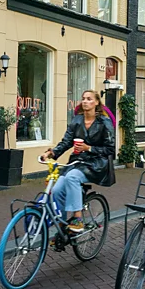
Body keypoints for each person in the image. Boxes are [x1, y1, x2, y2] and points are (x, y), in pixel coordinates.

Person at [40, 90, 114, 233]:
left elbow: (110, 149)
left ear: (96, 102)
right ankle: (62, 227)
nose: (85, 101)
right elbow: (66, 141)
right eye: (83, 99)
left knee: (72, 177)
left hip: (97, 164)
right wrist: (51, 153)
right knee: (56, 190)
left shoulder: (104, 122)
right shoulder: (77, 120)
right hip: (77, 162)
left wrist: (89, 148)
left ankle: (78, 219)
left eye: (89, 99)